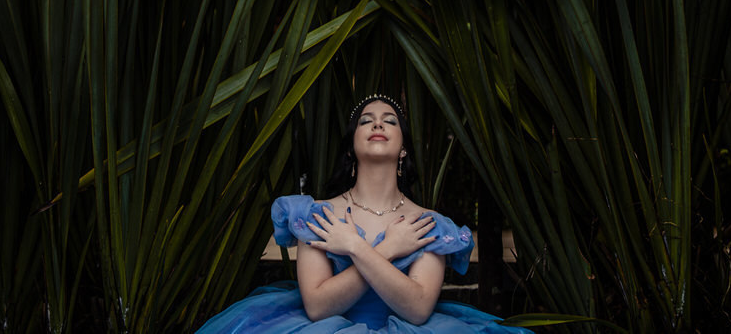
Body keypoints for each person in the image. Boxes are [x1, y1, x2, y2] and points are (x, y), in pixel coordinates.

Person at [194, 94, 529, 333]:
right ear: (352, 147)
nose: (377, 124)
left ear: (403, 149)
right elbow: (318, 307)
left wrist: (354, 245)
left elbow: (417, 309)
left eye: (390, 120)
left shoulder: (427, 223)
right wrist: (385, 249)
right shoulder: (318, 216)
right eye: (365, 121)